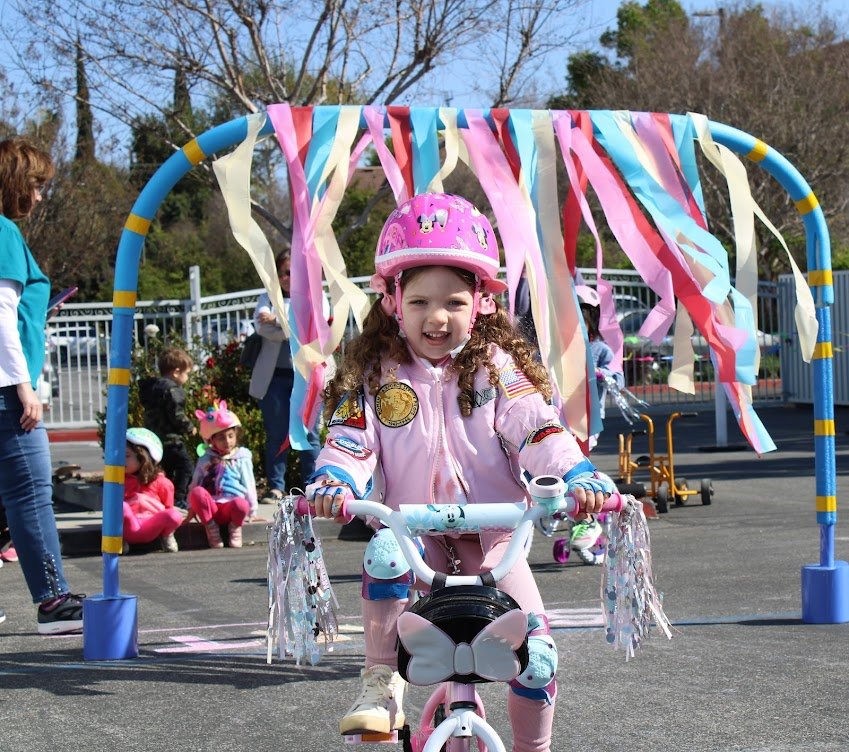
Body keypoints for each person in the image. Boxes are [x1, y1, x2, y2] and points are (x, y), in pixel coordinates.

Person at [307, 193, 614, 751]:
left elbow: (537, 429)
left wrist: (575, 475)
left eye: (453, 301)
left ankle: (532, 748)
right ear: (394, 301)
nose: (437, 317)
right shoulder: (377, 376)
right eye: (420, 301)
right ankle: (379, 680)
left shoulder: (496, 372)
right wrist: (336, 481)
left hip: (495, 536)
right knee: (383, 552)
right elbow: (352, 439)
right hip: (413, 536)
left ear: (481, 303)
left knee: (536, 658)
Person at [0, 137, 85, 634]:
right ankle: (53, 602)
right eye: (34, 185)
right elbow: (2, 318)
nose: (38, 196)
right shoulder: (5, 232)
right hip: (7, 393)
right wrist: (22, 385)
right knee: (31, 493)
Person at [249, 249, 324, 504]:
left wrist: (277, 321)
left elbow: (312, 329)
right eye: (284, 273)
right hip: (275, 380)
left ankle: (312, 485)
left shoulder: (316, 296)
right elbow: (262, 328)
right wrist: (291, 324)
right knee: (277, 433)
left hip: (307, 377)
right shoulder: (267, 296)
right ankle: (275, 487)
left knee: (309, 432)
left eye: (294, 272)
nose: (289, 278)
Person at [568, 284, 626, 564]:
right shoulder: (560, 349)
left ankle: (586, 519)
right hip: (559, 418)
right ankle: (576, 517)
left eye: (582, 313)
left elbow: (618, 377)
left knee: (577, 470)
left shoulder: (599, 349)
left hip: (587, 422)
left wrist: (603, 374)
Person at [188, 400, 257, 548]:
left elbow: (249, 483)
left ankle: (235, 527)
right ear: (211, 441)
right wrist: (190, 507)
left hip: (230, 507)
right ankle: (211, 527)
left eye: (231, 436)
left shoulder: (241, 457)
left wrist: (252, 510)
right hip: (211, 507)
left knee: (241, 503)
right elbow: (196, 481)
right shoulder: (206, 458)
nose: (227, 441)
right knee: (197, 492)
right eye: (221, 438)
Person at [139, 347, 196, 509]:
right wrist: (189, 427)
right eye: (187, 373)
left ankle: (165, 498)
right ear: (176, 372)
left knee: (166, 470)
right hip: (171, 439)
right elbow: (176, 415)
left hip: (155, 440)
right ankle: (179, 498)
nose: (187, 377)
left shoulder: (152, 388)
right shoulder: (173, 390)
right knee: (186, 467)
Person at [122, 427, 185, 554]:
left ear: (143, 457)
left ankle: (167, 536)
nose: (120, 460)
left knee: (175, 515)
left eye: (127, 455)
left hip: (151, 526)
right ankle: (118, 540)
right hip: (128, 527)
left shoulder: (162, 482)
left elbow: (168, 508)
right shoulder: (117, 480)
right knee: (121, 507)